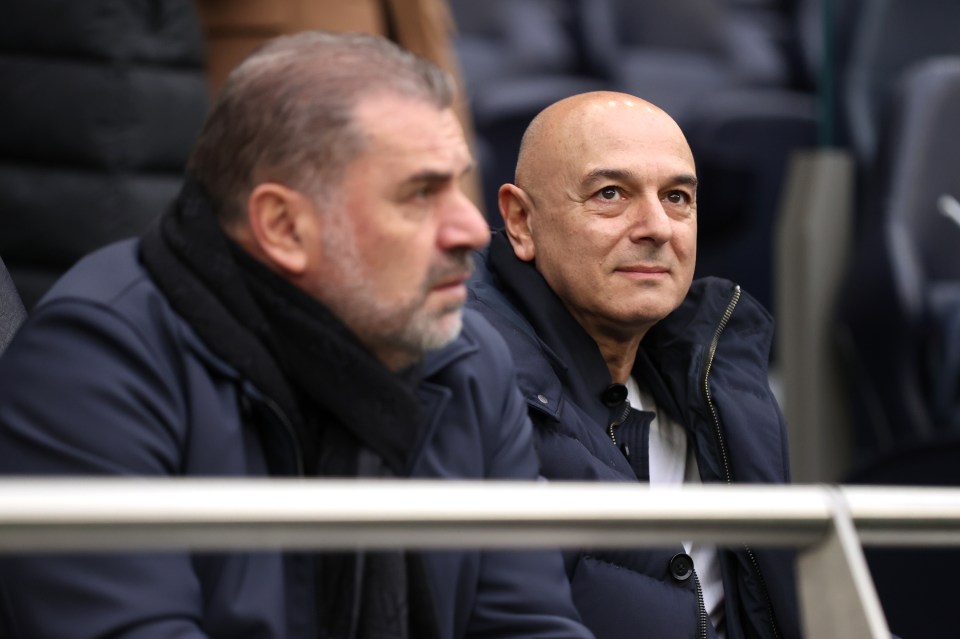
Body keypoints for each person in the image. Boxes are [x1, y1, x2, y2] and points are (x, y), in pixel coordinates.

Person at [0, 32, 594, 639]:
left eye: (459, 185)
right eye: (420, 193)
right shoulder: (93, 363)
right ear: (283, 226)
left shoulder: (468, 357)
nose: (471, 227)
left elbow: (528, 625)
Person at [467, 91, 801, 639]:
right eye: (611, 194)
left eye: (677, 197)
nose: (657, 227)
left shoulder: (725, 380)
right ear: (521, 221)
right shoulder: (466, 377)